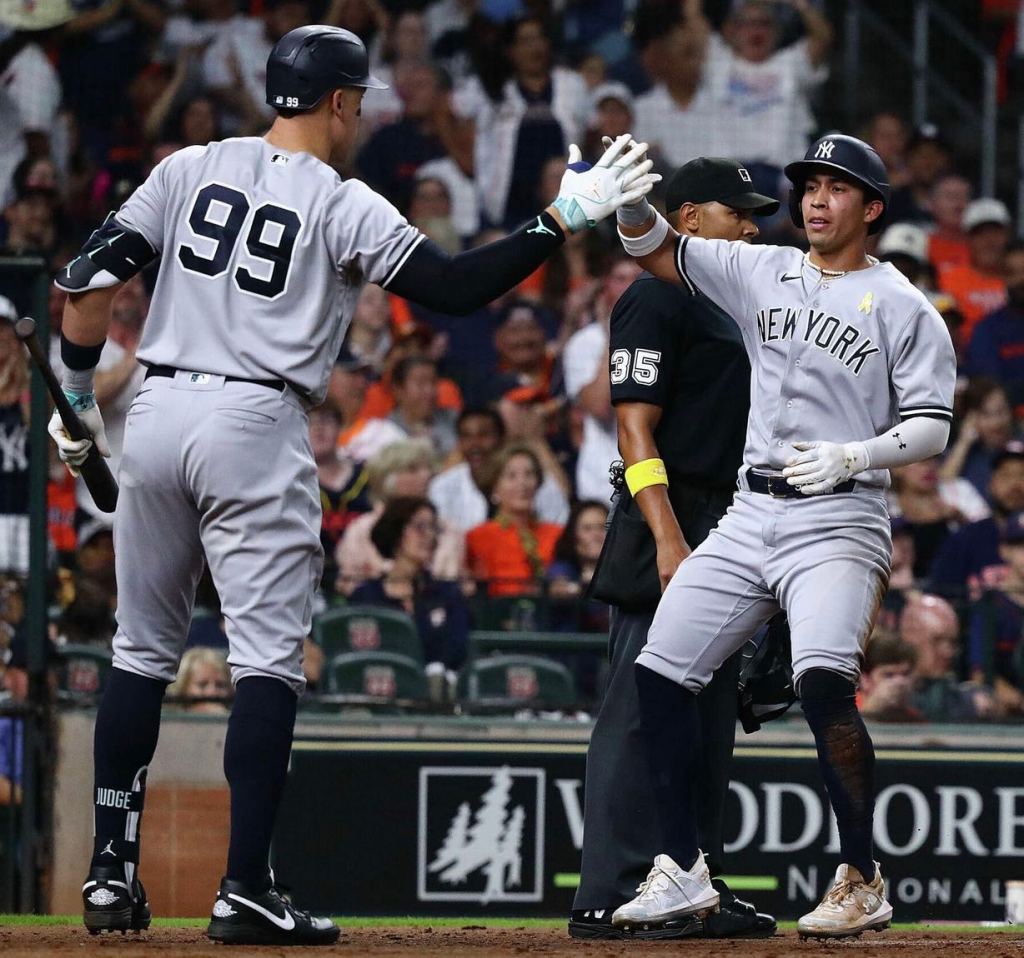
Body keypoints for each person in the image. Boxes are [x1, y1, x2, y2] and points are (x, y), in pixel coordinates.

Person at [46, 24, 655, 946]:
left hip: (159, 408)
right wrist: (560, 219)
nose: (361, 117)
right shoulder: (341, 199)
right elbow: (453, 287)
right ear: (337, 101)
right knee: (265, 661)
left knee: (139, 652)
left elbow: (88, 282)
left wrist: (77, 398)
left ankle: (108, 874)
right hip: (254, 419)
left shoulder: (188, 166)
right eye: (359, 103)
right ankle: (245, 887)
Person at [614, 132, 955, 938]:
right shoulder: (759, 267)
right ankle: (681, 869)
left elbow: (933, 425)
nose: (816, 199)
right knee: (658, 672)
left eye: (836, 187)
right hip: (751, 512)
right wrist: (626, 203)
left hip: (840, 516)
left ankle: (862, 879)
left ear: (871, 208)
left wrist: (855, 455)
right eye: (809, 185)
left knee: (823, 683)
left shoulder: (902, 302)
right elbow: (653, 247)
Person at [570, 157, 779, 941]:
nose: (752, 226)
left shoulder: (741, 302)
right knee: (639, 703)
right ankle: (611, 888)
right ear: (688, 218)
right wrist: (667, 537)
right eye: (738, 212)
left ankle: (692, 882)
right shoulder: (656, 296)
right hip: (672, 511)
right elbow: (634, 427)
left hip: (730, 513)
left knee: (710, 713)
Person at [350, 496, 470, 699]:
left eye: (434, 528)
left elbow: (456, 650)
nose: (429, 536)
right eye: (420, 527)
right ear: (397, 531)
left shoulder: (448, 594)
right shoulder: (366, 596)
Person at [429, 406, 568, 533]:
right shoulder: (443, 487)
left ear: (501, 439)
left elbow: (560, 527)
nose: (474, 444)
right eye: (467, 436)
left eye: (483, 435)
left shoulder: (538, 480)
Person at [465, 442, 563, 597]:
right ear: (495, 488)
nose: (522, 483)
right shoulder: (478, 537)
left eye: (529, 474)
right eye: (511, 476)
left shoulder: (557, 534)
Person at [930, 441, 1024, 599]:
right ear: (990, 484)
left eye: (1022, 475)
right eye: (1005, 475)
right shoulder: (966, 539)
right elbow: (942, 598)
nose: (1015, 485)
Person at [939, 198, 1012, 345]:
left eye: (995, 232)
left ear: (1008, 235)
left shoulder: (1018, 278)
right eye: (980, 233)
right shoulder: (947, 279)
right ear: (966, 238)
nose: (988, 241)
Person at [966, 244, 1024, 412]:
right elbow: (990, 388)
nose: (1022, 279)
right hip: (1010, 419)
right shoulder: (987, 330)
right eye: (1013, 273)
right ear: (1003, 278)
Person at [938, 378, 1018, 500]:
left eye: (1001, 411)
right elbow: (942, 488)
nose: (997, 423)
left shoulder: (1019, 444)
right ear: (970, 419)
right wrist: (964, 442)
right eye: (986, 414)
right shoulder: (962, 456)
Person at [856, 634, 922, 722]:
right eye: (889, 675)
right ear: (865, 680)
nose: (900, 682)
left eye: (905, 674)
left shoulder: (915, 720)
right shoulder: (843, 711)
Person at [166, 647, 232, 715]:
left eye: (220, 685)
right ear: (182, 688)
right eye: (202, 685)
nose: (212, 693)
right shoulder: (165, 719)